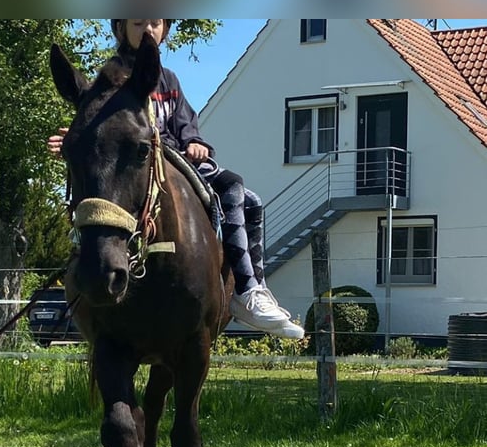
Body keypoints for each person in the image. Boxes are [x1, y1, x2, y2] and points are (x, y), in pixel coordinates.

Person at [48, 19, 304, 340]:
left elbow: (186, 125)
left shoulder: (168, 80)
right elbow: (100, 132)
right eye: (138, 22)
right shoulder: (110, 82)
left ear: (165, 30)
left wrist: (196, 142)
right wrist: (77, 139)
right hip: (136, 165)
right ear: (121, 29)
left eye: (156, 22)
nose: (148, 28)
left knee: (245, 196)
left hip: (177, 158)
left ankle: (249, 290)